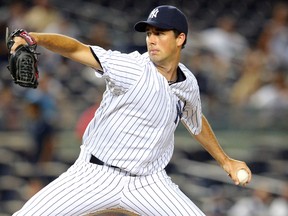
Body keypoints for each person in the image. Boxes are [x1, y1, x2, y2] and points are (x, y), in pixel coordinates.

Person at [10, 5, 252, 216]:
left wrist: (225, 161)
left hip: (149, 183)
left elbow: (194, 119)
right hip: (95, 174)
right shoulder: (131, 67)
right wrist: (35, 38)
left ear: (180, 39)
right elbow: (76, 49)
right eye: (149, 33)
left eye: (160, 33)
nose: (151, 39)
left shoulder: (188, 82)